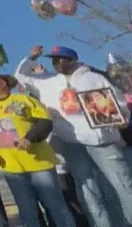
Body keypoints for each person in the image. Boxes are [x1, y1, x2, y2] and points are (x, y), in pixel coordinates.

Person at [15, 45, 132, 226]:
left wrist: (121, 117)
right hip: (71, 143)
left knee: (121, 184)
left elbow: (119, 103)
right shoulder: (47, 80)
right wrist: (31, 58)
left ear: (73, 60)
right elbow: (20, 77)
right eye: (54, 60)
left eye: (61, 59)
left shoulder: (92, 78)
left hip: (101, 141)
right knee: (88, 191)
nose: (57, 63)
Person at [0, 74, 74, 227]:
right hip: (11, 168)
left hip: (39, 164)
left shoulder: (24, 100)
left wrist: (29, 138)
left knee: (55, 207)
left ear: (3, 83)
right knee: (27, 211)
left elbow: (45, 122)